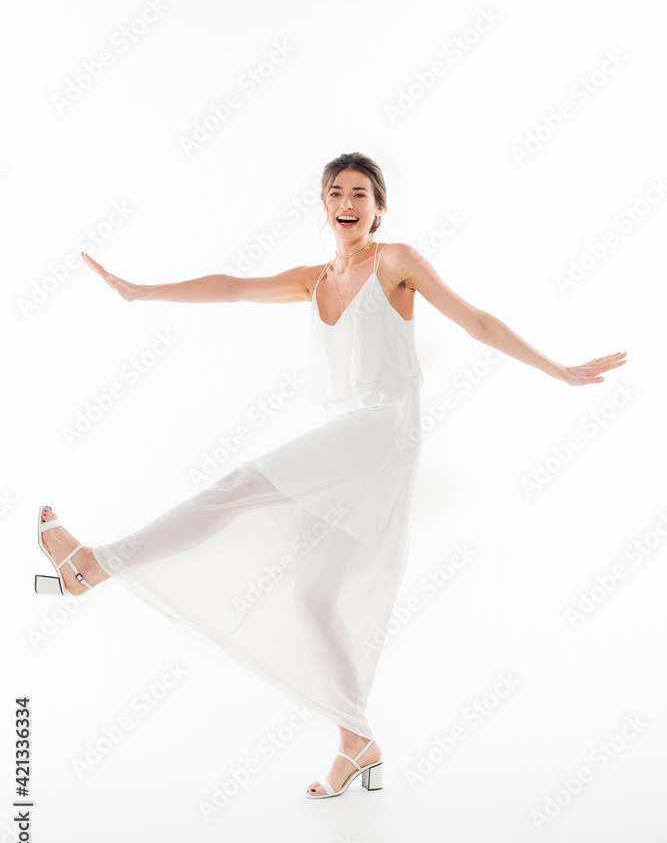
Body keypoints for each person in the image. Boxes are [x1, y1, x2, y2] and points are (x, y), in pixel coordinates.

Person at [35, 152, 627, 799]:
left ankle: (93, 564)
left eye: (360, 193)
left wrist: (558, 368)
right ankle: (357, 739)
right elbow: (232, 286)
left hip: (383, 429)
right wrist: (140, 290)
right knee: (313, 595)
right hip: (351, 437)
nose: (347, 203)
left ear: (378, 207)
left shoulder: (396, 262)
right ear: (324, 206)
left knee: (239, 486)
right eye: (334, 193)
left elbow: (475, 320)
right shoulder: (312, 279)